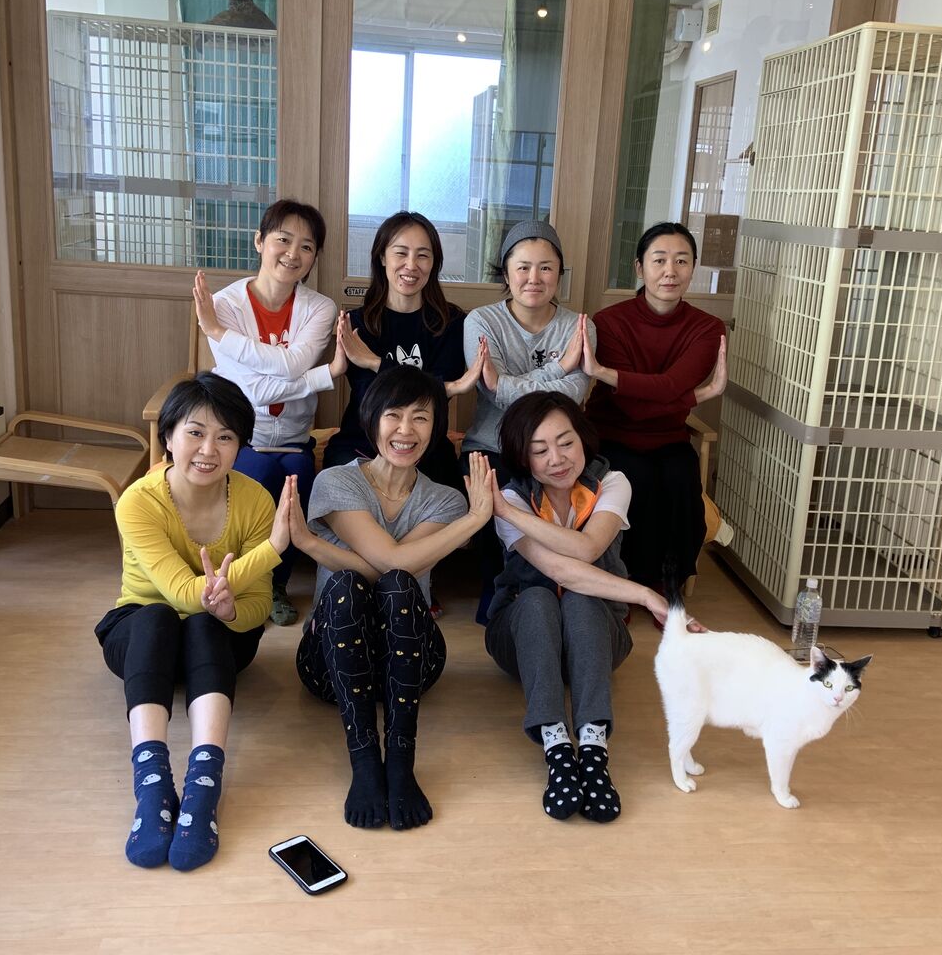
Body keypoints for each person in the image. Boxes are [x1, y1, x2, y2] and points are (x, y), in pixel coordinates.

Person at [93, 372, 291, 871]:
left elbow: (258, 606)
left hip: (217, 643)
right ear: (168, 436)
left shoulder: (255, 500)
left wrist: (230, 610)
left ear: (241, 445)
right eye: (195, 433)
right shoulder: (139, 500)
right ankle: (152, 785)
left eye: (225, 437)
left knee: (204, 624)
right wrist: (272, 550)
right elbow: (183, 592)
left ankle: (204, 788)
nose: (208, 450)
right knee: (159, 616)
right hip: (141, 635)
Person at [286, 365, 494, 831]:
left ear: (436, 428)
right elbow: (393, 559)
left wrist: (316, 547)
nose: (405, 430)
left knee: (398, 587)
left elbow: (394, 570)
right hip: (329, 668)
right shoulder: (337, 482)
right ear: (372, 419)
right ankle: (364, 760)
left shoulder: (445, 501)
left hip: (412, 667)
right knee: (350, 586)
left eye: (421, 417)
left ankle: (400, 759)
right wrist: (474, 521)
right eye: (393, 415)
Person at [485, 392, 706, 824]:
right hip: (521, 640)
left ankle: (592, 748)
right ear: (522, 457)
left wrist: (507, 512)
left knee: (583, 599)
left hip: (600, 637)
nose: (556, 459)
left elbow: (587, 550)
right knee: (537, 598)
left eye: (565, 442)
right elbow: (557, 570)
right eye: (539, 450)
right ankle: (556, 748)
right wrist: (644, 594)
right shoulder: (511, 497)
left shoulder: (613, 482)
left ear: (583, 438)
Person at [193, 198, 340, 626]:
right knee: (257, 476)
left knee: (298, 480)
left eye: (306, 246)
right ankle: (243, 579)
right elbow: (250, 392)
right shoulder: (223, 305)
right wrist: (322, 376)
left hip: (294, 437)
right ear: (260, 241)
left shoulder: (320, 308)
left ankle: (275, 584)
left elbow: (290, 366)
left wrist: (221, 336)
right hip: (240, 434)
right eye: (283, 240)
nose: (293, 254)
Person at [462, 220, 595, 621]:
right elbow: (491, 391)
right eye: (523, 267)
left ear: (559, 274)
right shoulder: (481, 322)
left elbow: (572, 397)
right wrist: (560, 368)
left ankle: (558, 592)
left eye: (546, 267)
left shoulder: (579, 326)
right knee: (493, 491)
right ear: (506, 273)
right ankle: (501, 590)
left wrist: (508, 383)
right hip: (492, 443)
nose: (534, 278)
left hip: (558, 447)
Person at [584, 221, 727, 591]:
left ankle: (669, 587)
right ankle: (626, 584)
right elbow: (633, 409)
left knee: (681, 479)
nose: (670, 271)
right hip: (612, 435)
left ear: (693, 268)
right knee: (637, 478)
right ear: (639, 267)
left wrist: (609, 375)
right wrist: (701, 395)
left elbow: (670, 387)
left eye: (681, 261)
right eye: (659, 259)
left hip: (669, 436)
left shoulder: (708, 328)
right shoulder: (609, 322)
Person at [323, 210, 487, 488]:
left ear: (434, 263)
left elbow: (434, 399)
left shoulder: (451, 323)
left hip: (425, 445)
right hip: (362, 441)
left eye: (423, 255)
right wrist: (445, 386)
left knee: (455, 500)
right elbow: (371, 397)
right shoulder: (357, 324)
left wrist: (374, 362)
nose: (411, 265)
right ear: (382, 257)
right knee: (334, 488)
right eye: (401, 253)